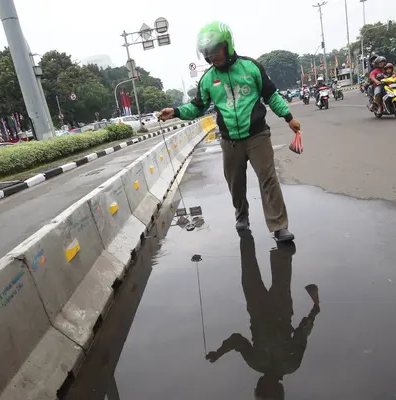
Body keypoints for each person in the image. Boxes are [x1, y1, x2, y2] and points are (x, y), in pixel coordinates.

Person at [159, 21, 299, 242]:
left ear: (228, 46)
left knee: (268, 179)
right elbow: (197, 107)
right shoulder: (207, 80)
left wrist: (289, 118)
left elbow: (271, 95)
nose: (212, 57)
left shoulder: (251, 67)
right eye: (208, 54)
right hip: (229, 140)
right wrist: (175, 111)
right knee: (236, 183)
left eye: (216, 51)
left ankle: (279, 226)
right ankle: (241, 215)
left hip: (257, 135)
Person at [205, 232, 320, 400]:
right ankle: (248, 232)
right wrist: (218, 353)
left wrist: (314, 311)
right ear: (262, 389)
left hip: (274, 310)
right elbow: (237, 340)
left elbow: (302, 334)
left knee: (274, 276)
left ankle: (281, 250)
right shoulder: (261, 363)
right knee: (250, 268)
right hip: (262, 309)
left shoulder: (288, 365)